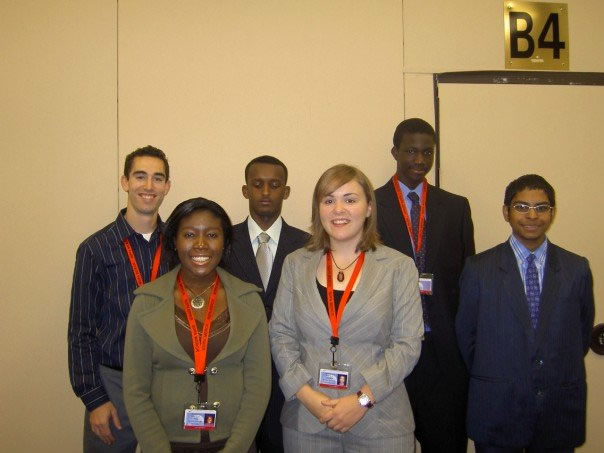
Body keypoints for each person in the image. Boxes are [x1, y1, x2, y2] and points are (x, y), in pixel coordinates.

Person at [269, 164, 424, 452]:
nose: (338, 209)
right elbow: (280, 335)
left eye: (350, 200)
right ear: (318, 209)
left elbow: (407, 344)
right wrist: (305, 395)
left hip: (380, 420)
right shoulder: (295, 264)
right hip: (307, 419)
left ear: (368, 208)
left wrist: (362, 400)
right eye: (329, 200)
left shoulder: (398, 267)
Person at [456, 175, 595, 453]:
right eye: (521, 207)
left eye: (541, 208)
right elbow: (466, 337)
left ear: (552, 213)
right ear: (506, 212)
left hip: (557, 409)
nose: (532, 216)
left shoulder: (576, 268)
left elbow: (579, 335)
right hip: (497, 405)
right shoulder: (478, 269)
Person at [123, 198, 271, 453]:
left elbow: (258, 387)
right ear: (174, 241)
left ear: (224, 242)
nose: (201, 244)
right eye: (189, 235)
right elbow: (135, 390)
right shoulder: (146, 302)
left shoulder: (249, 300)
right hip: (167, 444)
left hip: (234, 443)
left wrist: (236, 448)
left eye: (212, 235)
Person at [374, 118, 474, 452]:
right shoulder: (369, 206)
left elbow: (466, 281)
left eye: (427, 152)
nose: (420, 160)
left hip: (443, 352)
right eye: (411, 151)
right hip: (388, 349)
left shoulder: (456, 207)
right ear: (395, 152)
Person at [68, 145, 172, 452]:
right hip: (114, 385)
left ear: (167, 186)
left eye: (157, 178)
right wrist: (95, 399)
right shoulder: (95, 249)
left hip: (166, 382)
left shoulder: (178, 247)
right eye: (140, 176)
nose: (149, 186)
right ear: (125, 181)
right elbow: (81, 330)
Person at [223, 155, 308, 452]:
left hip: (288, 371)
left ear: (286, 191)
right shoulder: (223, 242)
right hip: (236, 370)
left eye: (275, 185)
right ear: (245, 190)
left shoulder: (307, 246)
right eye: (258, 184)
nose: (266, 192)